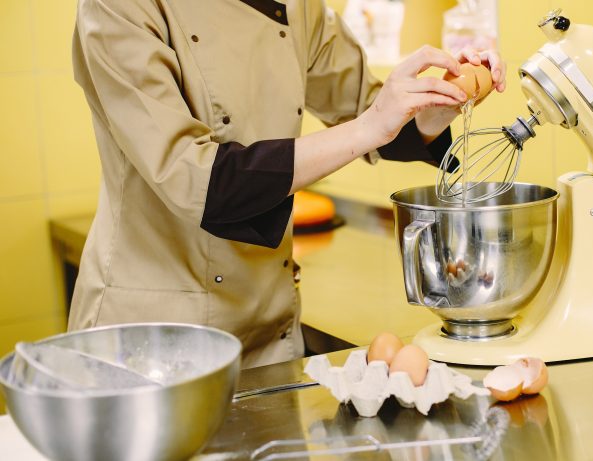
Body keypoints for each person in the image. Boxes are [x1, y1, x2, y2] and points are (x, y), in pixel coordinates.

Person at [69, 0, 506, 368]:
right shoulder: (119, 8)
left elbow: (370, 112)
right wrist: (372, 124)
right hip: (155, 338)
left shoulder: (297, 6)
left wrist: (439, 99)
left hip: (268, 333)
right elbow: (198, 180)